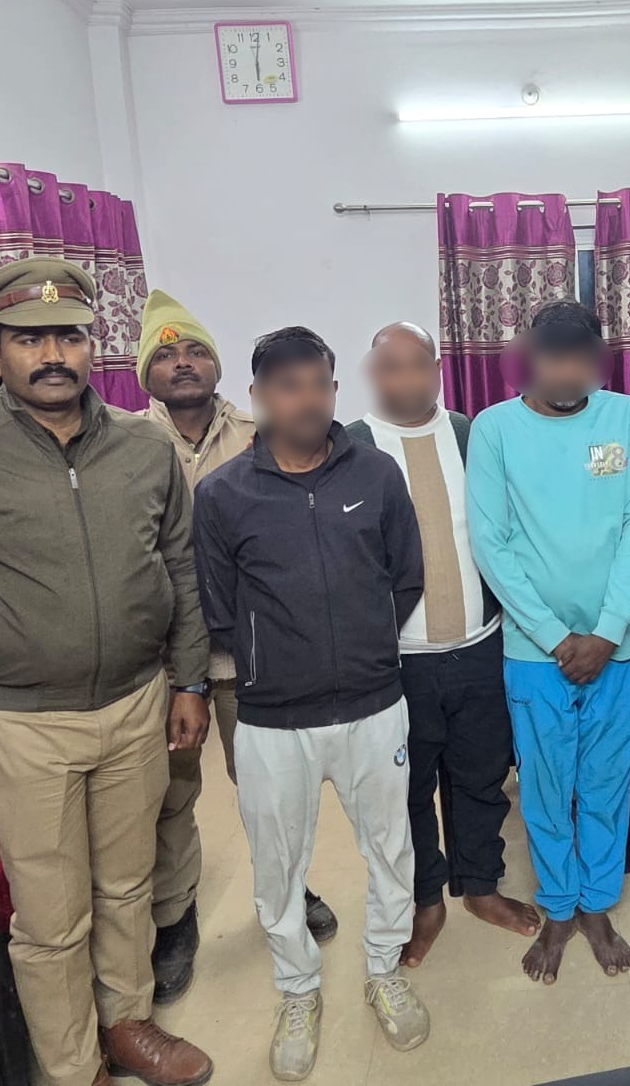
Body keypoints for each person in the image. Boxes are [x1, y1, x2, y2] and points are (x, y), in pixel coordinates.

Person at [0, 257, 213, 1086]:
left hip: (136, 704)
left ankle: (126, 1023)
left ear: (92, 345)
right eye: (28, 339)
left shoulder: (143, 446)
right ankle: (72, 1065)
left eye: (69, 336)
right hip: (22, 727)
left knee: (126, 886)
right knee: (52, 917)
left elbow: (180, 567)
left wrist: (190, 680)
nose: (52, 354)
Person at [193, 326, 429, 1081]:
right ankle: (298, 989)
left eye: (317, 384)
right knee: (277, 864)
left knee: (390, 848)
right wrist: (277, 660)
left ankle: (384, 969)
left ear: (334, 389)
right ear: (258, 395)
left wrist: (364, 645)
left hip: (373, 704)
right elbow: (218, 609)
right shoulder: (222, 495)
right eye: (285, 386)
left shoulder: (377, 473)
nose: (304, 400)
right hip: (272, 717)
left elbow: (406, 576)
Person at [135, 293, 339, 1003]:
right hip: (164, 662)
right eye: (165, 354)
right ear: (144, 373)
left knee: (272, 791)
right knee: (170, 796)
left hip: (250, 655)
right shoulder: (124, 445)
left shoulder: (262, 432)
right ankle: (174, 921)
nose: (182, 363)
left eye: (195, 350)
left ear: (220, 368)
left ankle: (289, 889)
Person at [467, 298, 630, 985]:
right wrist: (553, 636)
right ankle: (558, 906)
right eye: (554, 356)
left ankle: (596, 905)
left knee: (604, 780)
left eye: (581, 357)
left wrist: (606, 631)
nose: (567, 371)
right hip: (534, 649)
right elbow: (491, 542)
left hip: (614, 646)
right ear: (532, 358)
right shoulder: (494, 429)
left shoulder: (624, 416)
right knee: (546, 786)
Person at [345, 322, 539, 966]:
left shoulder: (469, 434)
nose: (406, 378)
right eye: (390, 365)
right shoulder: (352, 446)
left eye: (419, 364)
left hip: (481, 646)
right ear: (373, 373)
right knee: (405, 789)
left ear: (438, 369)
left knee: (481, 777)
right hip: (397, 659)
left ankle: (480, 886)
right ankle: (426, 899)